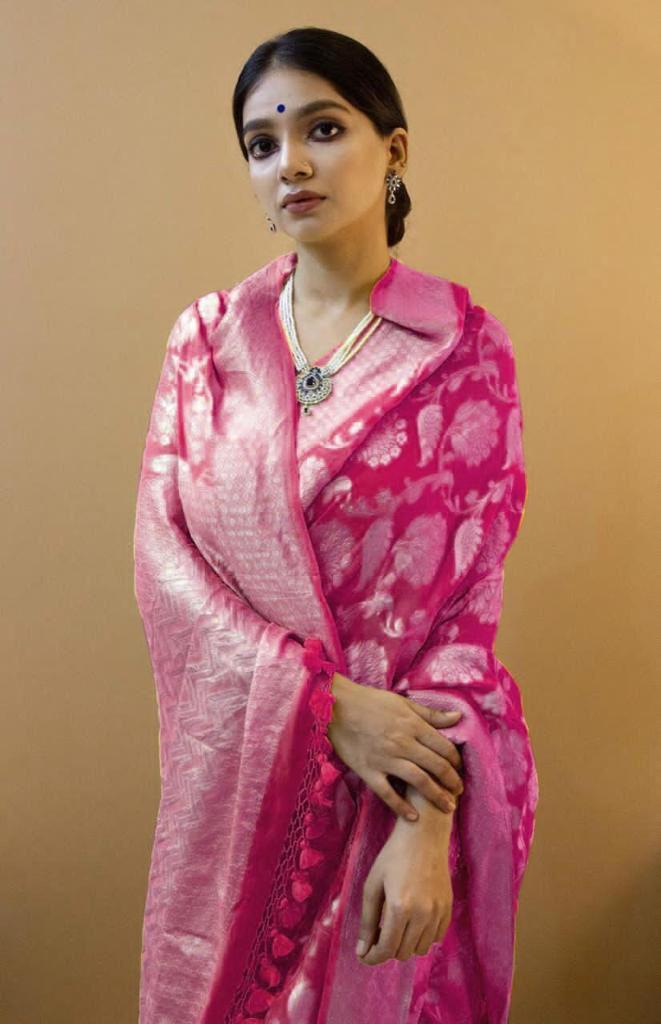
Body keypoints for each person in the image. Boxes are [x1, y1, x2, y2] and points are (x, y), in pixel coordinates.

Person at [132, 25, 539, 1024]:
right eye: (261, 144)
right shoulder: (207, 346)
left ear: (392, 149)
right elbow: (165, 566)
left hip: (392, 796)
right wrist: (323, 706)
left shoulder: (462, 351)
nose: (291, 163)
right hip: (245, 797)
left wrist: (426, 825)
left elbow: (466, 610)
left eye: (322, 128)